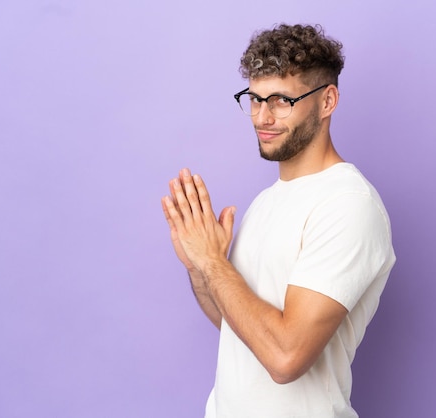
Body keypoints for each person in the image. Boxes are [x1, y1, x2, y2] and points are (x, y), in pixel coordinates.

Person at [162, 23, 396, 418]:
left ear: (327, 101)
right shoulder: (266, 203)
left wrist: (216, 263)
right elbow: (241, 328)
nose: (262, 116)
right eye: (254, 98)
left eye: (281, 101)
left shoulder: (348, 204)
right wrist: (200, 266)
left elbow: (285, 356)